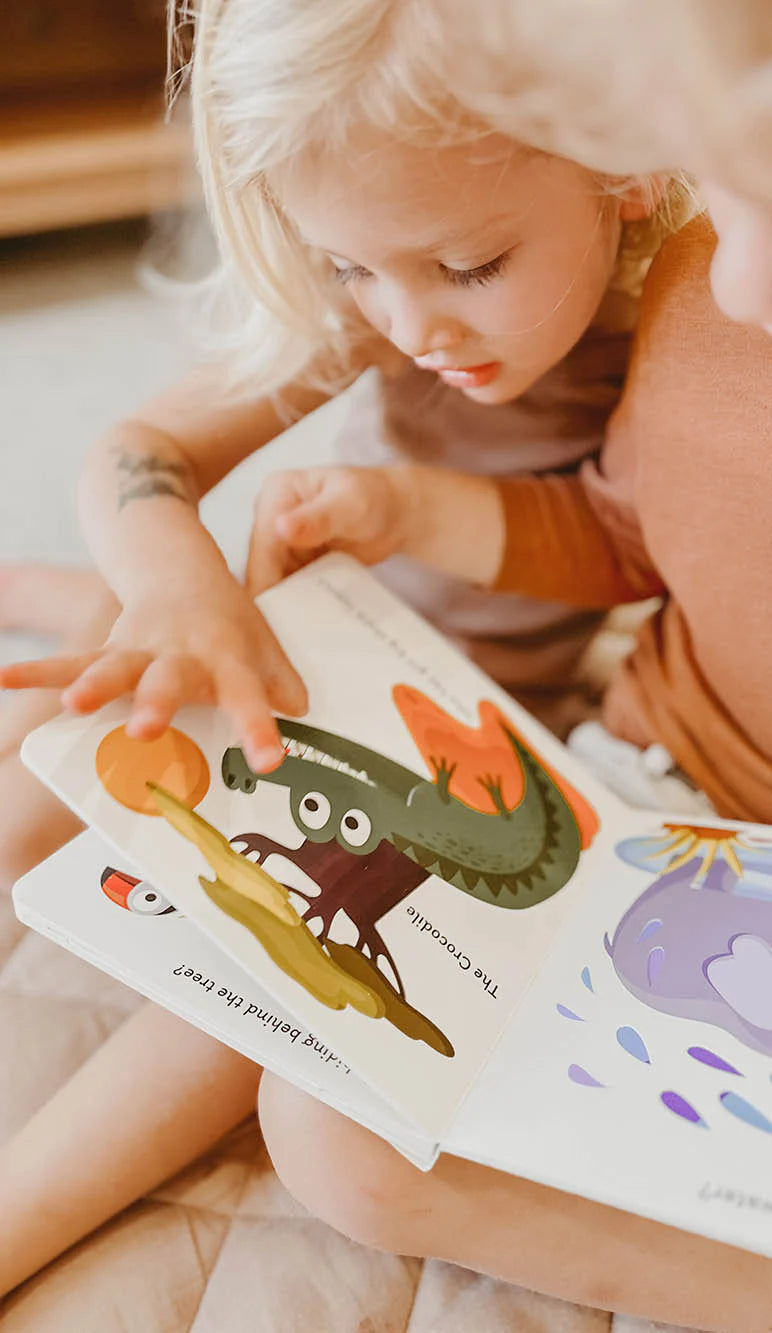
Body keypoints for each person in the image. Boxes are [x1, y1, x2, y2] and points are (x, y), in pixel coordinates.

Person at [0, 0, 698, 1302]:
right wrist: (177, 587)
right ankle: (94, 601)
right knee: (58, 769)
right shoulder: (385, 286)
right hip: (297, 633)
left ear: (626, 157)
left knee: (264, 989)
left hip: (465, 722)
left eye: (470, 267)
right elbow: (138, 452)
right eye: (344, 267)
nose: (410, 324)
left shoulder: (714, 318)